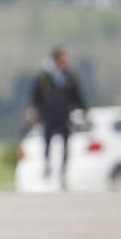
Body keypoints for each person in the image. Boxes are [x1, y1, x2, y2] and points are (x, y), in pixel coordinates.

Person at [27, 46, 87, 188]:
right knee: (47, 142)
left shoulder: (69, 77)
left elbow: (77, 96)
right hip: (48, 115)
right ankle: (47, 166)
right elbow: (35, 96)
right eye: (63, 58)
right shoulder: (44, 77)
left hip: (64, 116)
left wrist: (84, 110)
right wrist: (34, 111)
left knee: (66, 145)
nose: (66, 61)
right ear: (56, 59)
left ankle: (63, 172)